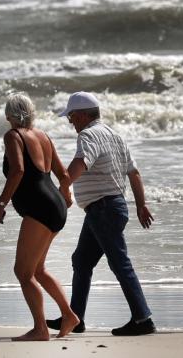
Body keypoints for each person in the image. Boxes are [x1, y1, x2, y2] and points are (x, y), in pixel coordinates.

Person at [47, 91, 156, 336]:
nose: (70, 122)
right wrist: (141, 205)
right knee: (81, 260)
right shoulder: (115, 136)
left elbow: (81, 163)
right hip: (108, 207)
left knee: (120, 263)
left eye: (71, 116)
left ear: (83, 115)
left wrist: (62, 187)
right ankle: (75, 318)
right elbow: (134, 173)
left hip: (103, 208)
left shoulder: (88, 135)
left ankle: (143, 318)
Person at [0, 93, 80, 341]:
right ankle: (69, 315)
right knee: (37, 269)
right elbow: (64, 175)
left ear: (8, 116)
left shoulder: (13, 136)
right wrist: (65, 197)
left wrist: (1, 204)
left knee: (23, 272)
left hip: (40, 209)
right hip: (54, 206)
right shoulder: (44, 136)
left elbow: (17, 170)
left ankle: (40, 329)